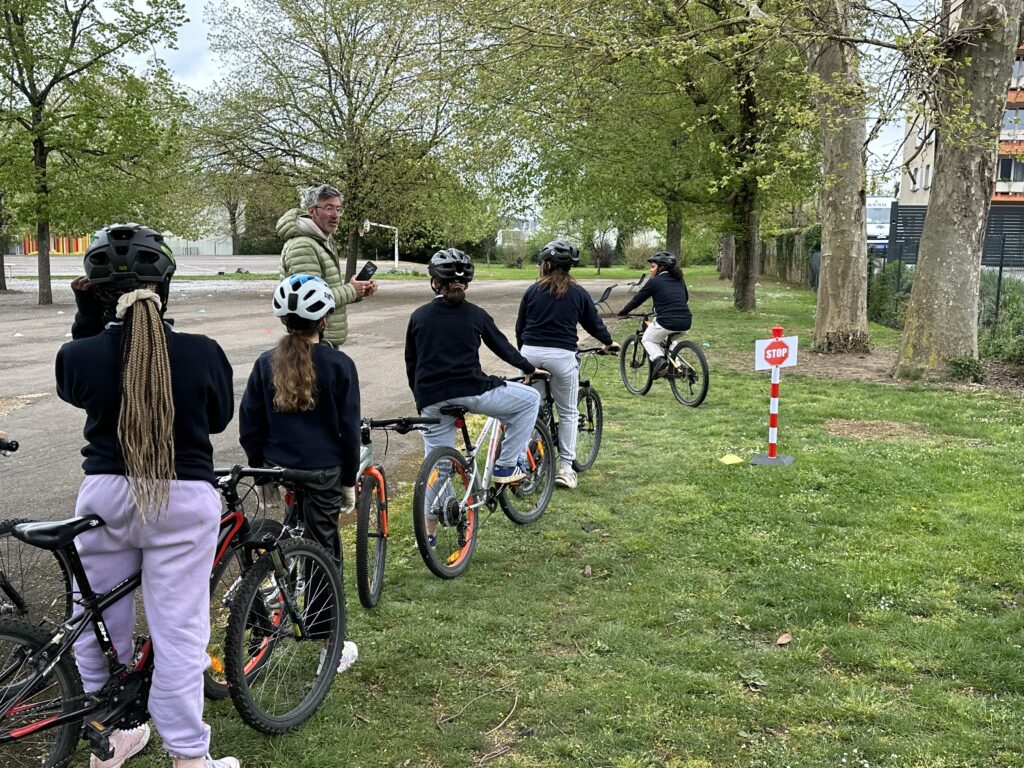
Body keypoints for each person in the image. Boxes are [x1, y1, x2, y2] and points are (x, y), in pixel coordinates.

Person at [55, 223, 237, 768]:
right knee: (178, 633)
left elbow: (79, 378)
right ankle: (189, 756)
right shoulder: (204, 352)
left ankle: (107, 741)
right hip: (182, 498)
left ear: (97, 292)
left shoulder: (78, 356)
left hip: (105, 497)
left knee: (95, 626)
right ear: (165, 286)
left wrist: (89, 317)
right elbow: (218, 417)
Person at [238, 273, 360, 672]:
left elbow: (250, 424)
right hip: (321, 472)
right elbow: (348, 431)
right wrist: (348, 481)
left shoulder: (265, 363)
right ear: (324, 320)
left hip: (278, 469)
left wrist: (262, 472)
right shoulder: (340, 364)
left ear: (283, 321)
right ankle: (329, 640)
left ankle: (267, 607)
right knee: (325, 551)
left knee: (287, 536)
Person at [405, 248, 546, 498]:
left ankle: (430, 522)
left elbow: (411, 364)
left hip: (431, 397)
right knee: (531, 399)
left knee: (438, 466)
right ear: (466, 284)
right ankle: (507, 465)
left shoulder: (418, 317)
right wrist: (528, 368)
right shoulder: (476, 314)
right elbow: (502, 347)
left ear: (435, 283)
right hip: (472, 391)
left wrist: (421, 399)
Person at [514, 240, 618, 489]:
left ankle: (526, 462)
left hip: (530, 354)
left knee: (532, 409)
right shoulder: (578, 293)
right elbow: (593, 324)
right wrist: (608, 343)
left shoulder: (532, 291)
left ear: (546, 265)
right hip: (561, 356)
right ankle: (566, 469)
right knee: (568, 412)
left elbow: (520, 327)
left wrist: (524, 358)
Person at [276, 183, 378, 347]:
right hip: (312, 341)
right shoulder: (304, 246)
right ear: (312, 211)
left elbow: (325, 292)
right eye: (329, 208)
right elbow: (309, 300)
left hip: (323, 338)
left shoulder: (323, 241)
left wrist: (358, 291)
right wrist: (352, 290)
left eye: (338, 209)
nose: (335, 215)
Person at [617, 251, 692, 378]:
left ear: (661, 268)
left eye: (653, 267)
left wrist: (624, 311)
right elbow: (685, 298)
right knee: (667, 341)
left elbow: (638, 299)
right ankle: (677, 367)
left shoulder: (654, 281)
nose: (650, 270)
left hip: (666, 321)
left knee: (647, 339)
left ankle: (659, 361)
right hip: (686, 322)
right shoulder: (679, 280)